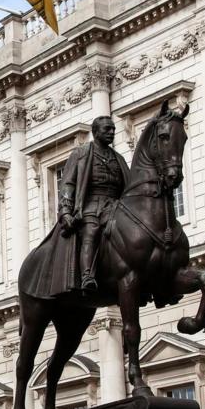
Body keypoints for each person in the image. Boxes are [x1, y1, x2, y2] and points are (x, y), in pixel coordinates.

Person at [59, 116, 129, 292]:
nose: (112, 132)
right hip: (92, 205)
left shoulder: (118, 158)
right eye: (107, 129)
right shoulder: (81, 154)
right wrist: (66, 211)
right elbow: (68, 183)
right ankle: (87, 276)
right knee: (92, 231)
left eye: (113, 129)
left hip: (116, 204)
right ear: (95, 132)